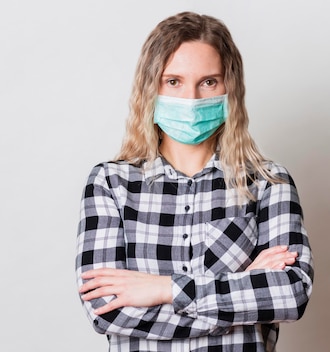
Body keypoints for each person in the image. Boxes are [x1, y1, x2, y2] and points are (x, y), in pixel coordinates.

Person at [75, 11, 314, 352]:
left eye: (208, 82)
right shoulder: (111, 183)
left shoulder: (268, 182)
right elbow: (106, 310)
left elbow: (291, 293)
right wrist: (242, 288)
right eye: (173, 81)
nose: (191, 98)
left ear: (229, 87)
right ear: (151, 87)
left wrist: (166, 289)